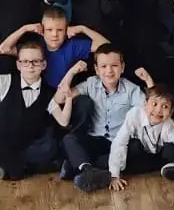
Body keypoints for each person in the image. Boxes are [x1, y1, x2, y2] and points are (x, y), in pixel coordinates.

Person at [55, 44, 152, 190]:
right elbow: (61, 98)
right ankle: (88, 171)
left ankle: (77, 166)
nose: (109, 71)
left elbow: (150, 111)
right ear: (96, 69)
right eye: (103, 66)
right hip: (95, 140)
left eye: (114, 65)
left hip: (119, 143)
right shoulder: (91, 84)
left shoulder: (131, 89)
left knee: (137, 148)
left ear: (122, 67)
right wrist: (72, 72)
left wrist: (149, 81)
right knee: (69, 139)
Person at [92, 84, 174, 199]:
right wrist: (114, 175)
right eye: (154, 104)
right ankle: (94, 172)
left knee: (169, 151)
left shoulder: (169, 127)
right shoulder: (134, 115)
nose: (158, 110)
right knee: (109, 159)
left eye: (165, 107)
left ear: (171, 112)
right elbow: (120, 142)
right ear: (145, 104)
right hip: (137, 152)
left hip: (155, 159)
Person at [0, 33, 73, 179]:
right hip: (6, 141)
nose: (30, 66)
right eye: (25, 62)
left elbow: (63, 121)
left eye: (36, 62)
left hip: (31, 144)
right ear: (18, 65)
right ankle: (32, 167)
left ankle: (11, 166)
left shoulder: (48, 92)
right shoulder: (7, 81)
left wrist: (69, 97)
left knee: (49, 147)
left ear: (43, 65)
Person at [0, 9, 109, 90]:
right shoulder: (35, 47)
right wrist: (24, 29)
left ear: (66, 30)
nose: (54, 34)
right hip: (40, 96)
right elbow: (4, 48)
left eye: (60, 30)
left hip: (64, 95)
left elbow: (106, 45)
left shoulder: (72, 46)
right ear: (42, 30)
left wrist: (83, 29)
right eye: (49, 30)